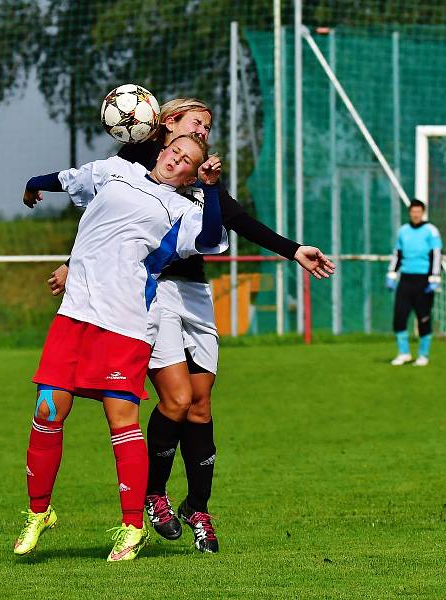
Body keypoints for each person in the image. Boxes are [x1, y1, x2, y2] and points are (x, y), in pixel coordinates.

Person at [47, 98, 335, 553]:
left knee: (200, 404)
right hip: (154, 293)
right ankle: (153, 495)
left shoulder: (200, 176)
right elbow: (106, 223)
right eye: (197, 122)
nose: (204, 130)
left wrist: (294, 249)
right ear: (168, 124)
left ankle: (197, 505)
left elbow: (240, 222)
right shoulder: (139, 163)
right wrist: (70, 265)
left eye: (207, 125)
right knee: (176, 398)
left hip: (196, 295)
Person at [14, 134, 228, 562]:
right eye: (175, 151)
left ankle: (132, 526)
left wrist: (210, 187)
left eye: (187, 161)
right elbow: (69, 178)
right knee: (48, 410)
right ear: (163, 149)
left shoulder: (185, 208)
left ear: (189, 173)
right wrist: (33, 182)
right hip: (75, 313)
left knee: (121, 421)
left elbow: (209, 238)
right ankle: (39, 513)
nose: (177, 161)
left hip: (126, 321)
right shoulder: (116, 171)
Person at [386, 199, 442, 366]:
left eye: (418, 211)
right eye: (413, 211)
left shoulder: (431, 231)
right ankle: (404, 353)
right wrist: (391, 274)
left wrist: (434, 277)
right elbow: (397, 254)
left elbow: (437, 254)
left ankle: (423, 355)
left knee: (423, 318)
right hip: (406, 280)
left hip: (424, 280)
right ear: (410, 212)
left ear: (422, 212)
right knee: (399, 317)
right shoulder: (403, 231)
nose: (415, 214)